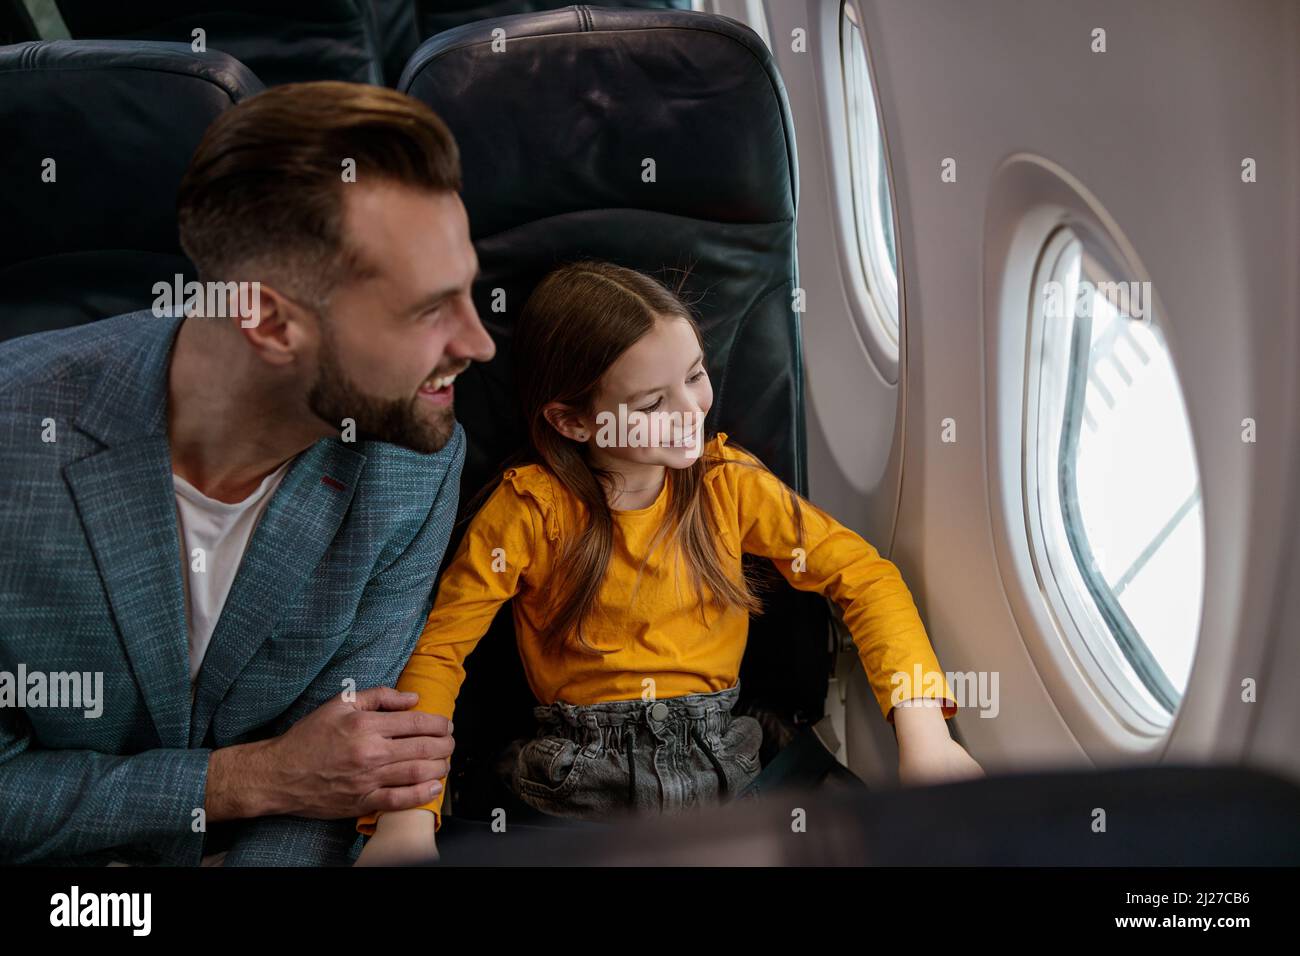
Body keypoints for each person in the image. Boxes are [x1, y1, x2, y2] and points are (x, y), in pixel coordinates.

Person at [0, 81, 495, 865]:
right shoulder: (11, 443)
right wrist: (240, 781)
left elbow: (338, 781)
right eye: (427, 310)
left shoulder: (410, 467)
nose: (479, 342)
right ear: (267, 320)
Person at [355, 260, 981, 865]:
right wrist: (407, 817)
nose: (692, 411)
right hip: (577, 783)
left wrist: (923, 732)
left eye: (696, 374)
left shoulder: (727, 486)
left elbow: (864, 576)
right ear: (574, 421)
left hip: (728, 762)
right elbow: (440, 651)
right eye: (653, 403)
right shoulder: (529, 512)